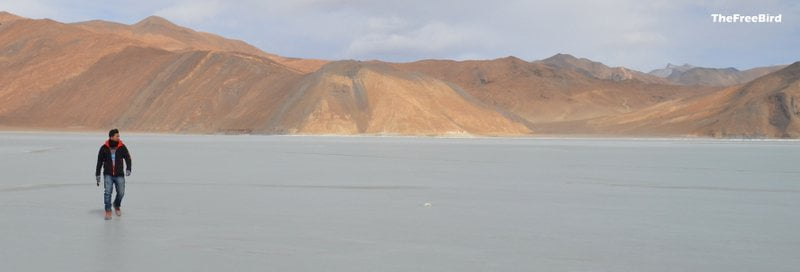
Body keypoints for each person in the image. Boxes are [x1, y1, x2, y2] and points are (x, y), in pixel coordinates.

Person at [95, 128, 132, 220]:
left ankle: (116, 204)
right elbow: (99, 162)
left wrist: (128, 168)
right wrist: (98, 174)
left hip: (119, 174)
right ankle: (108, 210)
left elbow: (128, 158)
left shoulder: (122, 147)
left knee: (121, 192)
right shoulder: (104, 148)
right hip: (108, 174)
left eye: (119, 136)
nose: (119, 137)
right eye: (117, 136)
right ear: (111, 137)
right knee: (107, 192)